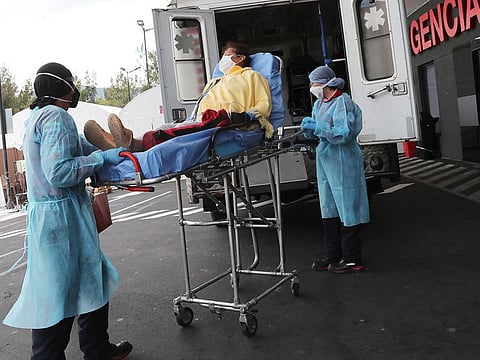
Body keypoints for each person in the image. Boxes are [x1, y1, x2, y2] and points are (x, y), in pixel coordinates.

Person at [2, 62, 133, 360]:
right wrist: (101, 158)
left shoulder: (37, 117)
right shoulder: (57, 116)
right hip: (61, 221)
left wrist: (105, 151)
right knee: (58, 292)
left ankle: (98, 348)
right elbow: (59, 172)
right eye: (72, 85)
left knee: (92, 279)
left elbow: (76, 148)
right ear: (65, 87)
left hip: (55, 216)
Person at [84, 41, 273, 152]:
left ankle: (132, 144)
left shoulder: (252, 77)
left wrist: (247, 115)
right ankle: (119, 141)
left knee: (176, 134)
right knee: (168, 127)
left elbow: (263, 106)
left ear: (240, 58)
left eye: (228, 55)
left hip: (229, 122)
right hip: (204, 120)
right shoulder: (215, 82)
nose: (223, 60)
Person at [301, 65, 370, 274]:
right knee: (329, 208)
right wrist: (308, 130)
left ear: (326, 83)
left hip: (343, 160)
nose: (312, 87)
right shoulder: (319, 104)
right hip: (326, 160)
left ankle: (352, 260)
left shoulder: (343, 102)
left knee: (348, 208)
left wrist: (318, 128)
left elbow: (344, 133)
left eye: (314, 83)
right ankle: (333, 255)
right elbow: (318, 132)